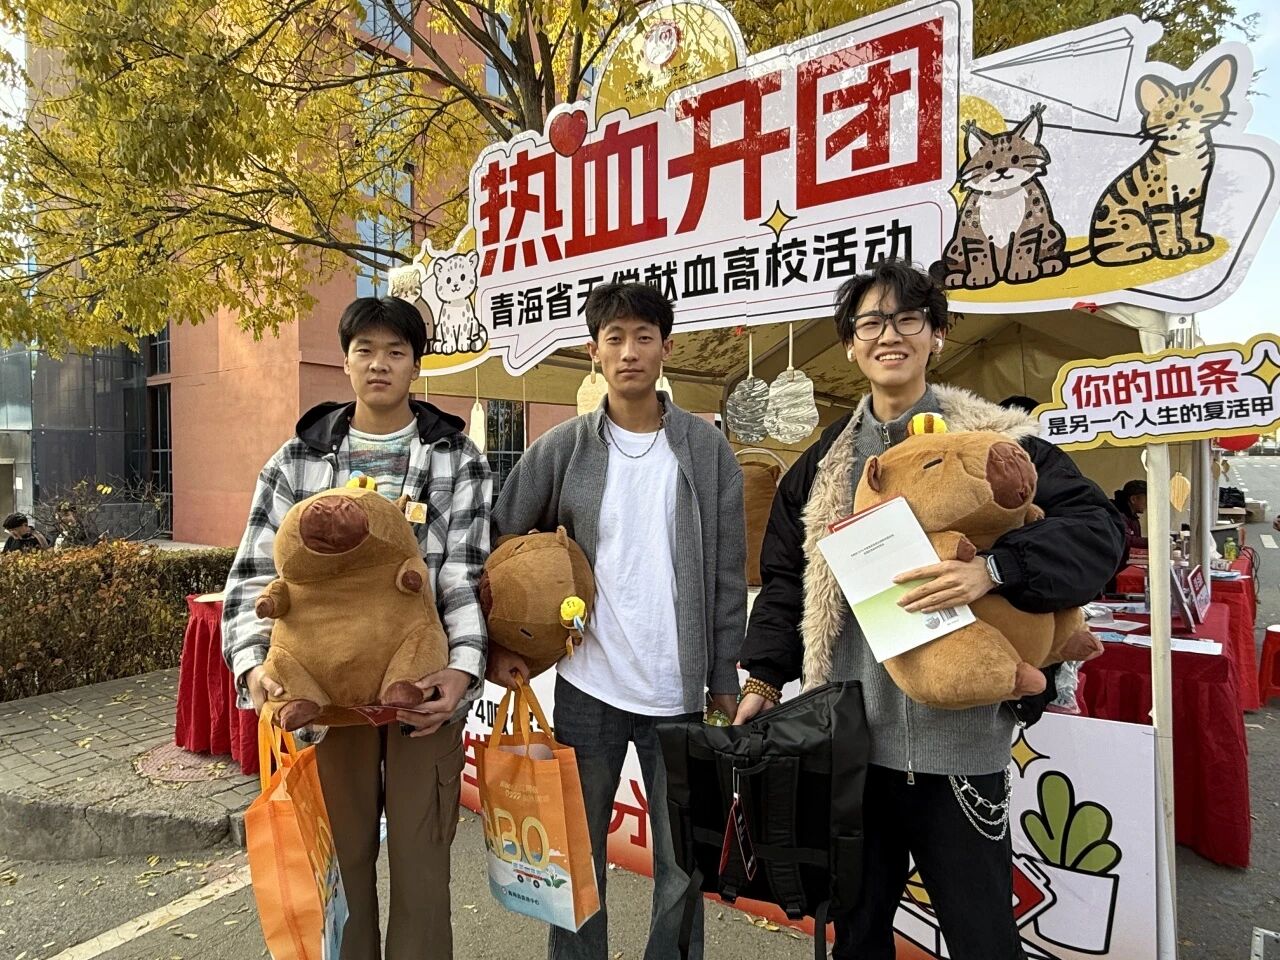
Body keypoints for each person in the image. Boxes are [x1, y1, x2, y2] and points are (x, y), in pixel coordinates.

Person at [735, 259, 1125, 960]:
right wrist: (763, 677)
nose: (890, 335)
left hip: (960, 747)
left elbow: (1100, 531)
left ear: (937, 334)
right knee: (858, 936)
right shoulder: (824, 467)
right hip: (852, 743)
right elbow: (787, 578)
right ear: (851, 344)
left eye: (908, 318)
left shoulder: (998, 442)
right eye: (871, 323)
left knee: (983, 939)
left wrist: (994, 572)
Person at [222, 296, 491, 960]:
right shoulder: (296, 461)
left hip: (420, 689)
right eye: (365, 350)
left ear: (416, 365)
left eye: (396, 352)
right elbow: (254, 574)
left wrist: (461, 670)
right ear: (344, 362)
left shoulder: (457, 458)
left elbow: (463, 573)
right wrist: (256, 668)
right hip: (328, 697)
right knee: (339, 867)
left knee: (423, 873)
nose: (379, 365)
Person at [489, 281, 746, 960]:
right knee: (575, 857)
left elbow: (727, 572)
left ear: (666, 349)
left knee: (682, 865)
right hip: (589, 687)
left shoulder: (706, 450)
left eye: (643, 337)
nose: (629, 351)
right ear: (593, 352)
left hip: (678, 695)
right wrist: (510, 640)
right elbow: (502, 539)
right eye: (615, 338)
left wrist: (724, 678)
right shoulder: (563, 448)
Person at [1113, 479, 1149, 552]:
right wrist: (1153, 542)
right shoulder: (1117, 516)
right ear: (1133, 499)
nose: (1147, 503)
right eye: (1146, 499)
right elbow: (1127, 541)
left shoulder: (1133, 518)